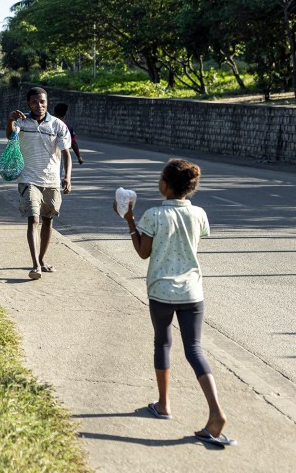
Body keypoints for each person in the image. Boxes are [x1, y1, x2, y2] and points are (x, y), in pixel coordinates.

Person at [117, 159, 235, 447]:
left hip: (161, 291)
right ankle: (216, 412)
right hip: (193, 291)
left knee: (163, 344)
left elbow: (144, 253)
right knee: (194, 350)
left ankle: (164, 404)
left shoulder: (153, 215)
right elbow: (192, 244)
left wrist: (130, 221)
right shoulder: (199, 214)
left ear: (165, 185)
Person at [6, 86, 71, 279]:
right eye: (34, 102)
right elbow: (10, 137)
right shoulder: (21, 122)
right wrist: (10, 120)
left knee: (48, 220)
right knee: (33, 219)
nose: (39, 105)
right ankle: (35, 265)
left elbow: (66, 153)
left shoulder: (58, 125)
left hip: (51, 180)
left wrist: (67, 176)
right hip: (28, 179)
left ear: (47, 102)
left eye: (42, 102)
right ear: (28, 104)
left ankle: (42, 259)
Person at [53, 102, 84, 181]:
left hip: (44, 154)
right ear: (65, 113)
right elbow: (73, 143)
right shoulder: (68, 126)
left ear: (54, 112)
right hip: (58, 156)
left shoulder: (48, 123)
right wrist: (79, 157)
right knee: (56, 178)